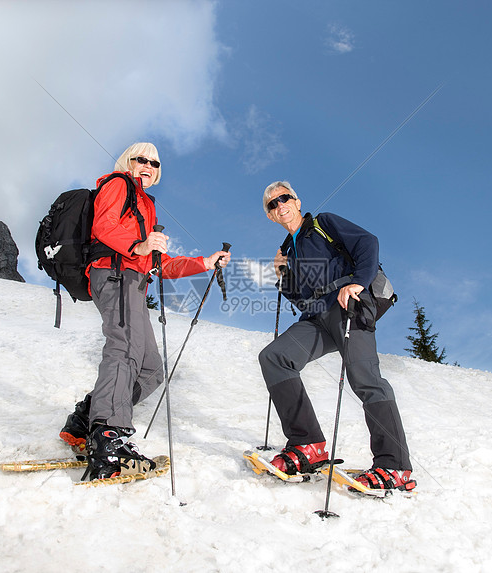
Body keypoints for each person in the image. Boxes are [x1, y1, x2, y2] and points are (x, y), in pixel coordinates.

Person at [60, 142, 230, 481]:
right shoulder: (117, 184)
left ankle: (87, 419)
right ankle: (109, 438)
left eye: (154, 163)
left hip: (135, 282)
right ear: (128, 161)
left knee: (151, 370)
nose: (147, 165)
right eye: (140, 159)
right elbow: (104, 225)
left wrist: (204, 262)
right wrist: (137, 245)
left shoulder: (145, 206)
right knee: (123, 350)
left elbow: (160, 264)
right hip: (114, 273)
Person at [257, 181, 415, 491]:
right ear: (270, 216)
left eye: (284, 198)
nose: (280, 205)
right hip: (317, 318)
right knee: (275, 357)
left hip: (348, 309)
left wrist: (357, 283)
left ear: (297, 201)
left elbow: (368, 243)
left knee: (364, 379)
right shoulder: (288, 250)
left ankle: (395, 465)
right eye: (272, 205)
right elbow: (300, 297)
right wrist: (282, 275)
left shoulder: (323, 224)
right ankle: (308, 445)